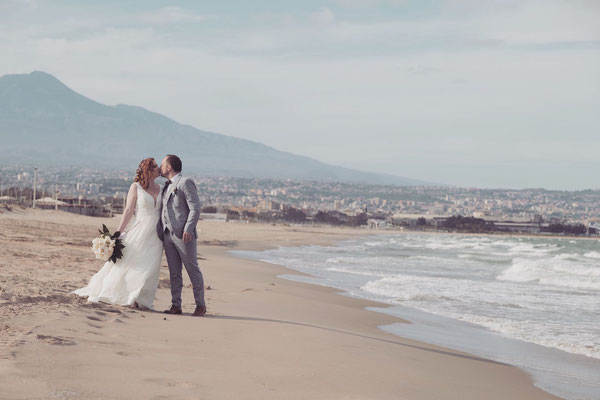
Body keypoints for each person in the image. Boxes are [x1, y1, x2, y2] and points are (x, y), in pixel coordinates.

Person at [73, 158, 163, 309]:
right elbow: (128, 210)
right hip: (140, 230)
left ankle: (141, 298)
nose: (158, 168)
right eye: (155, 166)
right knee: (133, 263)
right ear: (148, 170)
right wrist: (118, 232)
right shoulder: (136, 187)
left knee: (150, 266)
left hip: (157, 234)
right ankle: (130, 296)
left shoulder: (162, 188)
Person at [158, 154, 206, 316]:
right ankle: (176, 305)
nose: (160, 167)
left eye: (162, 164)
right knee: (174, 272)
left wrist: (188, 228)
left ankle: (200, 305)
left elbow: (195, 208)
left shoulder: (185, 182)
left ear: (169, 167)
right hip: (167, 234)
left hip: (184, 235)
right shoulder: (166, 185)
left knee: (192, 269)